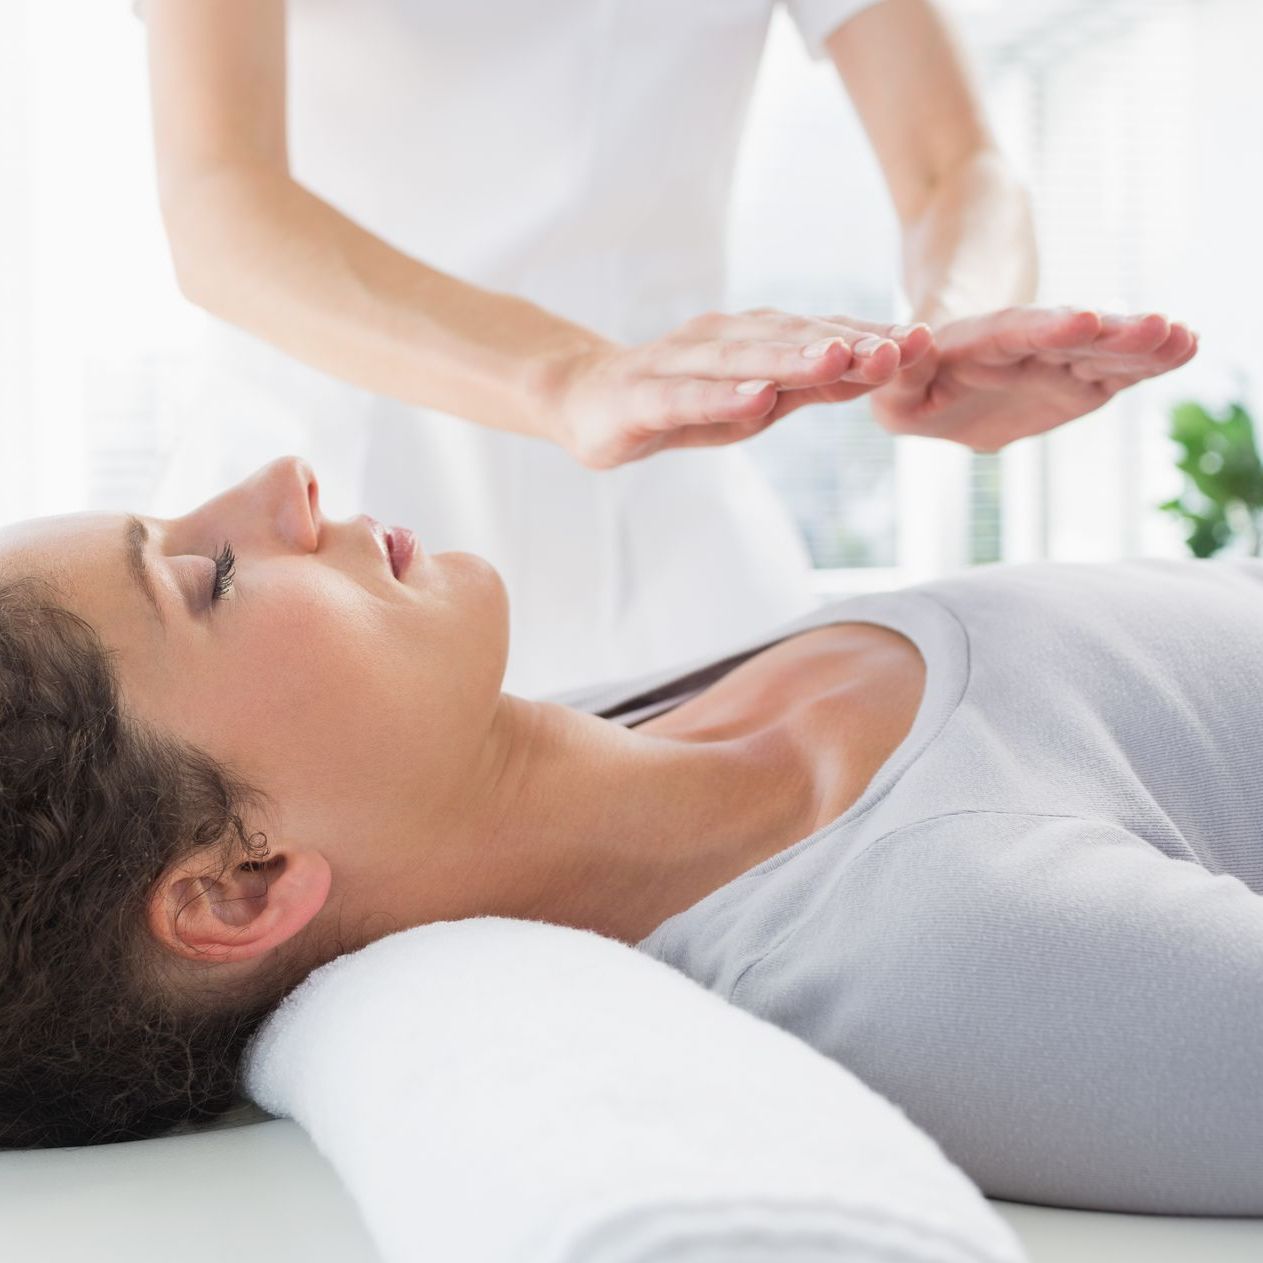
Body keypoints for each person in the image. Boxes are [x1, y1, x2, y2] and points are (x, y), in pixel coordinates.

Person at [5, 429, 1263, 1215]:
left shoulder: (623, 716)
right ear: (238, 884)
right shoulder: (948, 947)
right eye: (205, 577)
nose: (278, 481)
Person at [141, 0, 1082, 697]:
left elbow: (955, 164)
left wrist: (951, 330)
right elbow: (221, 201)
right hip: (316, 535)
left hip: (674, 536)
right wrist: (567, 377)